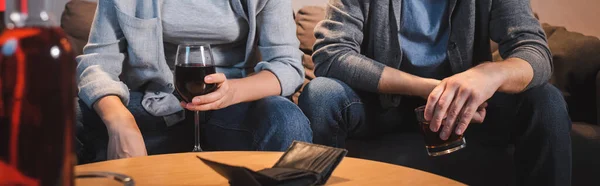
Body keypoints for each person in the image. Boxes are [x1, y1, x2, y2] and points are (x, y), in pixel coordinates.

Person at [298, 0, 571, 185]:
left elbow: (534, 51)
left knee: (546, 100)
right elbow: (330, 54)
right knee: (321, 93)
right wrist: (434, 89)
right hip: (381, 106)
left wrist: (489, 74)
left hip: (468, 109)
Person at [75, 0, 311, 163]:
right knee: (65, 117)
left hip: (232, 106)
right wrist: (120, 121)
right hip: (154, 105)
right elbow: (96, 64)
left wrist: (233, 91)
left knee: (287, 120)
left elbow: (287, 65)